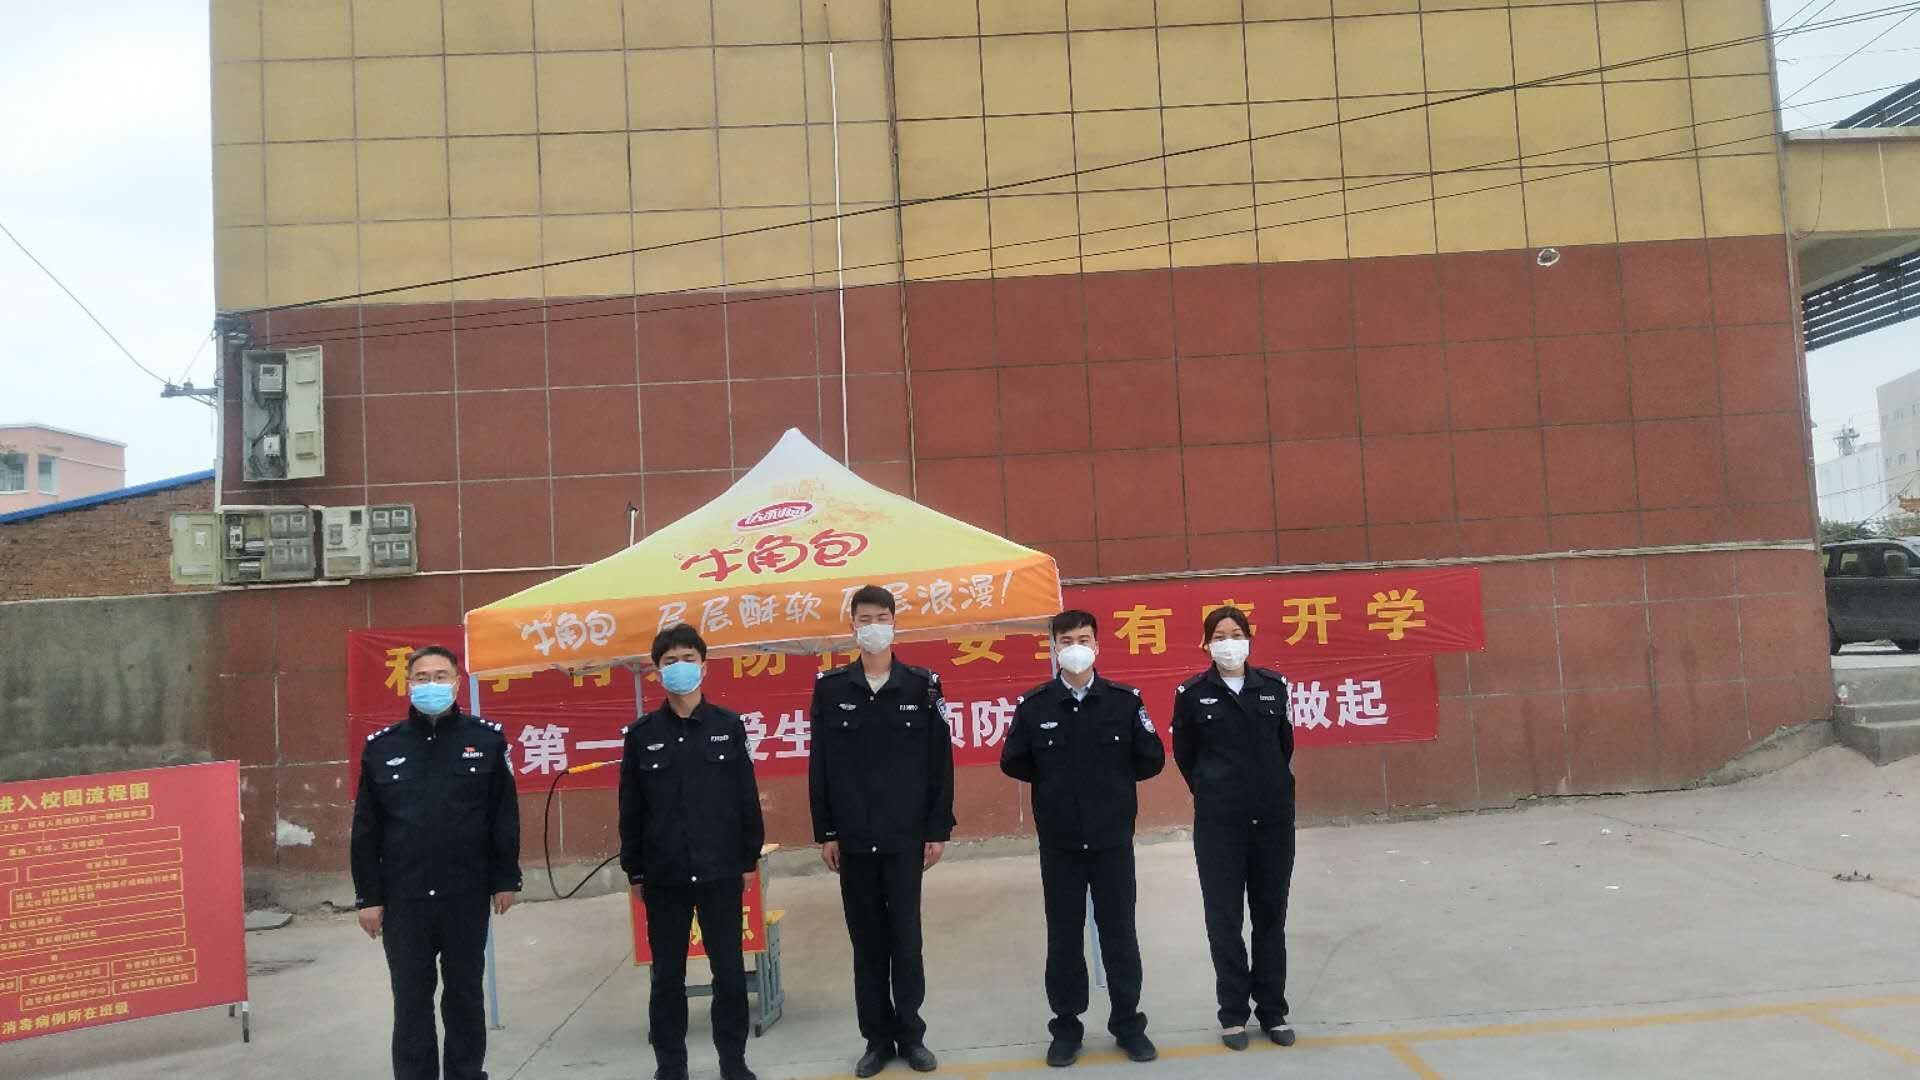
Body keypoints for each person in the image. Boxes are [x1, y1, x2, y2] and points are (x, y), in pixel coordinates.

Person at [1000, 610, 1165, 1068]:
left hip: (1112, 839)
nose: (1076, 647)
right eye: (1067, 640)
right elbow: (1014, 760)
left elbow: (1151, 758)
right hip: (1060, 843)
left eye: (1084, 639)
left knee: (1120, 934)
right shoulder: (1035, 706)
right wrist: (1057, 790)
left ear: (1097, 646)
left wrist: (1110, 788)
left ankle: (1128, 1024)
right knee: (1064, 937)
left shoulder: (1124, 702)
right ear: (1054, 647)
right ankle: (1066, 1028)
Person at [351, 645, 522, 1080]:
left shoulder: (486, 740)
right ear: (408, 685)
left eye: (441, 676)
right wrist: (368, 898)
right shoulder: (382, 748)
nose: (432, 685)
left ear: (457, 683)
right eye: (422, 677)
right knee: (411, 1001)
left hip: (465, 893)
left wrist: (505, 878)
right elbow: (367, 830)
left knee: (464, 997)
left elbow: (503, 815)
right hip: (404, 898)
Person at [809, 584, 956, 1076]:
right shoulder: (832, 688)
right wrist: (827, 831)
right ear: (851, 625)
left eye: (881, 618)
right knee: (868, 943)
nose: (873, 627)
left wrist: (937, 829)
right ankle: (876, 1040)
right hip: (853, 839)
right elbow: (820, 765)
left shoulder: (922, 686)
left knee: (906, 941)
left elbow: (940, 763)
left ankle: (912, 1036)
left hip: (904, 837)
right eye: (864, 618)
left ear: (895, 623)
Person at [619, 624, 765, 1080]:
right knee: (667, 978)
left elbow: (745, 796)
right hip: (665, 876)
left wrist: (749, 858)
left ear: (704, 666)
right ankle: (671, 1066)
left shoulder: (727, 726)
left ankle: (733, 1063)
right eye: (669, 661)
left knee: (729, 973)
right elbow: (631, 807)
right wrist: (635, 871)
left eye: (688, 659)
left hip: (721, 870)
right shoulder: (642, 734)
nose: (679, 668)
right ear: (656, 671)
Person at [1168, 606, 1297, 1052]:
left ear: (1249, 639)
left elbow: (1283, 746)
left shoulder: (1273, 687)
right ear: (1206, 644)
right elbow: (1186, 756)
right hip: (1220, 824)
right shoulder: (1192, 694)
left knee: (1270, 916)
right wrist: (1214, 789)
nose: (1229, 643)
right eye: (1219, 635)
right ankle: (1233, 1014)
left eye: (1236, 634)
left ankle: (1273, 1010)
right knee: (1224, 920)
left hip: (1272, 821)